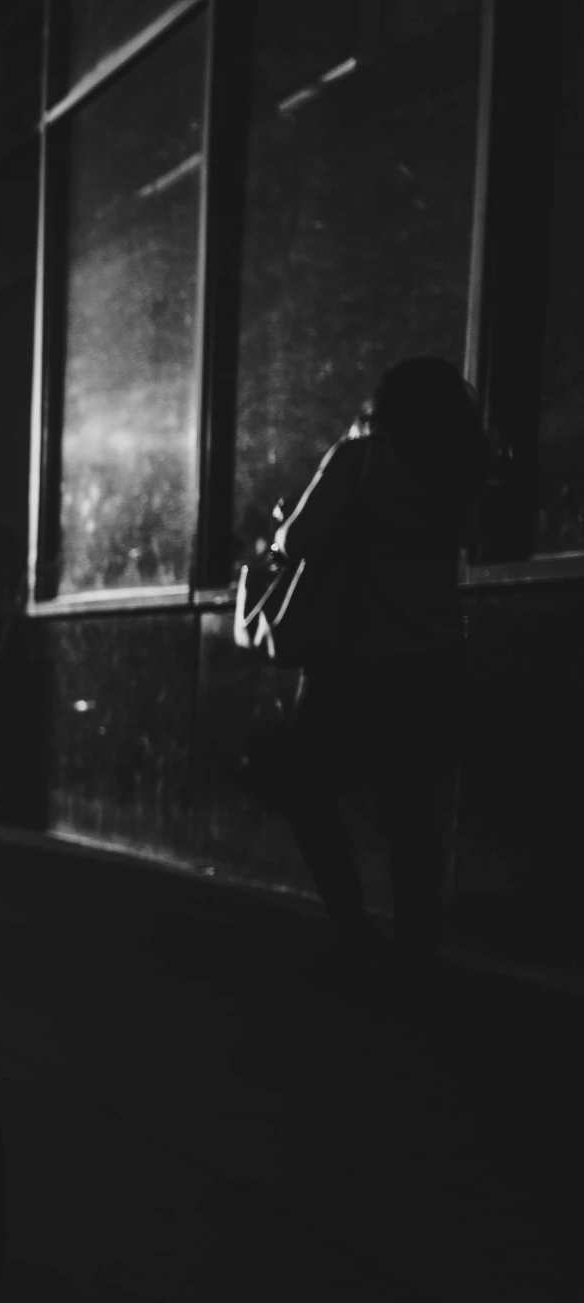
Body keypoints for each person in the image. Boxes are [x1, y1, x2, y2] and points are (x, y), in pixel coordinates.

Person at [274, 355, 484, 968]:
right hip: (433, 664)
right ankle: (416, 952)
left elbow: (299, 540)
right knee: (411, 814)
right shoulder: (458, 471)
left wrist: (288, 522)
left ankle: (354, 927)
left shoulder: (358, 459)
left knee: (305, 787)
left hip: (354, 661)